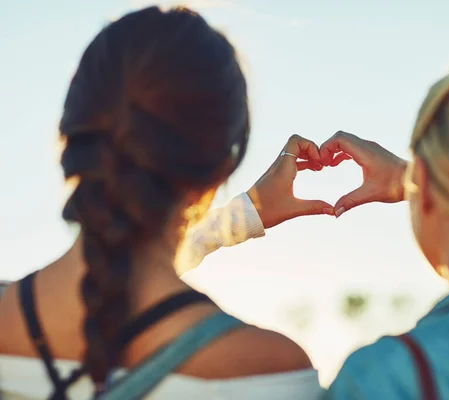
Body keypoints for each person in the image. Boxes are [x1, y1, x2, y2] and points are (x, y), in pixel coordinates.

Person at [179, 53, 449, 399]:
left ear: (427, 187)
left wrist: (239, 218)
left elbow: (129, 281)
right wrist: (421, 180)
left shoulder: (386, 379)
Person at [0, 6, 326, 399]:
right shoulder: (268, 369)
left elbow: (118, 256)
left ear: (70, 135)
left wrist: (245, 215)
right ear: (220, 167)